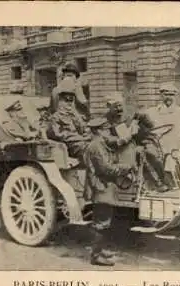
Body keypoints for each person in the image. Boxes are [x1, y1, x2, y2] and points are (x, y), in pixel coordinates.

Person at [83, 117, 135, 266]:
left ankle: (100, 250)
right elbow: (105, 169)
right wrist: (126, 167)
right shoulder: (96, 146)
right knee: (101, 222)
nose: (108, 131)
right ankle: (96, 256)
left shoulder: (99, 144)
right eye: (105, 129)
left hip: (104, 186)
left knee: (104, 220)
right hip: (100, 186)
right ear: (99, 131)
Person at [103, 92, 169, 192]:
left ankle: (163, 180)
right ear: (109, 106)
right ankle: (156, 182)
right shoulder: (106, 121)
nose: (119, 109)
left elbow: (151, 126)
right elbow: (112, 139)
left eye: (120, 105)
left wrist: (142, 119)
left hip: (139, 142)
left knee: (154, 154)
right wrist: (129, 133)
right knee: (141, 154)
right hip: (121, 149)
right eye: (115, 106)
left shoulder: (131, 113)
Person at [145, 82, 180, 186]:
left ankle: (172, 188)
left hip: (176, 152)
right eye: (166, 95)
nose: (168, 98)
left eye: (171, 95)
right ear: (161, 96)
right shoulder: (152, 112)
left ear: (175, 96)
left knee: (170, 164)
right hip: (156, 150)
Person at [47, 77, 91, 161]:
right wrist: (81, 138)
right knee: (90, 149)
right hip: (68, 146)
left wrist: (87, 133)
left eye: (71, 101)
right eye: (66, 100)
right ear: (59, 101)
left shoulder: (74, 115)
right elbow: (58, 135)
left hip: (80, 142)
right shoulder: (55, 117)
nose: (69, 104)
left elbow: (83, 129)